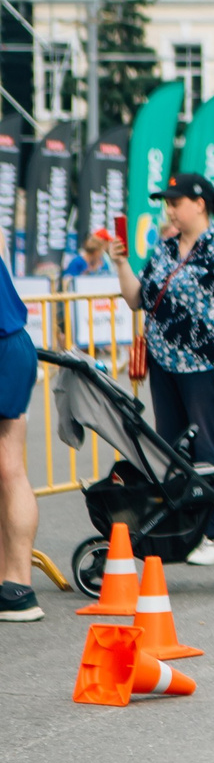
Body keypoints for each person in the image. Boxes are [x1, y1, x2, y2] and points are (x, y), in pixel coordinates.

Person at [111, 173, 214, 564]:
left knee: (211, 446)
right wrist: (122, 263)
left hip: (208, 364)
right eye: (167, 202)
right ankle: (184, 527)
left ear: (200, 204)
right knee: (172, 445)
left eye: (176, 201)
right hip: (164, 363)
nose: (170, 208)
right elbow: (136, 298)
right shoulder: (164, 248)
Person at [0, 209, 34, 613]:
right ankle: (15, 583)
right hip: (14, 341)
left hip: (6, 342)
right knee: (9, 467)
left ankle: (19, 582)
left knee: (10, 468)